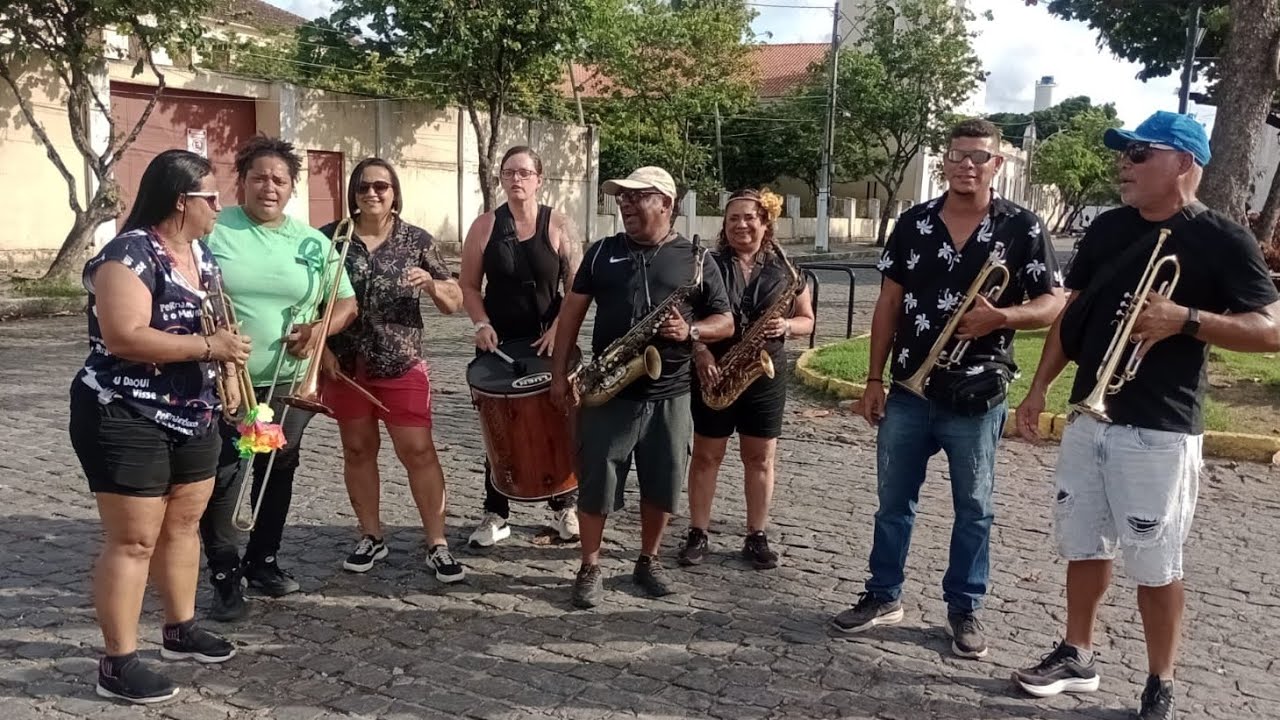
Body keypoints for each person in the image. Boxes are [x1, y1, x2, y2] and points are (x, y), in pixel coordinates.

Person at [1011, 111, 1280, 720]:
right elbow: (1069, 314)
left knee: (1156, 561)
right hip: (1091, 415)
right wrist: (1038, 390)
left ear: (1183, 163)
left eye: (1138, 154)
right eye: (1124, 154)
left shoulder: (1223, 238)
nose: (1122, 164)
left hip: (1160, 428)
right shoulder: (1108, 228)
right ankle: (1078, 652)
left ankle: (1162, 680)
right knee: (1083, 543)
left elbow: (1272, 330)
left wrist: (1185, 320)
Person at [831, 118, 1066, 658]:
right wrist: (873, 379)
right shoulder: (914, 222)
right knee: (893, 502)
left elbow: (1054, 303)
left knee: (974, 507)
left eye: (978, 156)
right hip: (910, 389)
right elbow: (888, 303)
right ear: (945, 159)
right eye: (958, 154)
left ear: (996, 164)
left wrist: (1000, 316)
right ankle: (882, 594)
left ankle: (965, 607)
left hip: (977, 393)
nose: (967, 164)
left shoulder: (1023, 227)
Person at [69, 150, 250, 703]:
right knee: (134, 539)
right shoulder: (127, 254)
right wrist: (208, 346)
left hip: (193, 409)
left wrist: (229, 364)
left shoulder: (202, 254)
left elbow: (217, 318)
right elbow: (123, 334)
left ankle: (181, 628)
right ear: (181, 201)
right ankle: (118, 663)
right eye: (211, 198)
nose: (221, 206)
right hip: (125, 411)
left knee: (183, 525)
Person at [551, 166, 734, 609]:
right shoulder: (601, 253)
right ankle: (590, 566)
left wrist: (689, 332)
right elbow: (572, 315)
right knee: (595, 482)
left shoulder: (697, 259)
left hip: (670, 392)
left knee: (663, 483)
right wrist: (560, 374)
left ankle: (647, 561)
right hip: (610, 389)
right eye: (622, 198)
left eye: (638, 197)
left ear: (667, 203)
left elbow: (725, 321)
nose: (625, 204)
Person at [199, 135, 358, 621]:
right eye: (259, 178)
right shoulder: (214, 229)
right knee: (229, 470)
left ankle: (262, 561)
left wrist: (318, 329)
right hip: (228, 382)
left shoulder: (311, 241)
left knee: (274, 467)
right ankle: (225, 575)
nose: (269, 187)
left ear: (292, 187)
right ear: (242, 181)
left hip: (286, 383)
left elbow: (345, 302)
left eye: (279, 180)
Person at [319, 157, 467, 582]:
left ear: (394, 192)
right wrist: (321, 348)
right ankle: (370, 535)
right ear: (353, 192)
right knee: (358, 450)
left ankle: (437, 543)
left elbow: (454, 301)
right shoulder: (332, 239)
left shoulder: (416, 240)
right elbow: (312, 297)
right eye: (364, 187)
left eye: (381, 186)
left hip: (400, 361)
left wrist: (434, 285)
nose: (372, 193)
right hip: (346, 364)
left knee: (418, 450)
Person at [677, 188, 815, 570]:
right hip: (714, 368)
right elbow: (687, 320)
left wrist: (786, 324)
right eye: (733, 217)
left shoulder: (787, 270)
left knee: (760, 458)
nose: (741, 224)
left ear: (765, 222)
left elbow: (808, 319)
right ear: (724, 223)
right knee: (706, 455)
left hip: (764, 372)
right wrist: (701, 352)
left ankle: (756, 534)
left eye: (750, 217)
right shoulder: (706, 263)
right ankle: (697, 532)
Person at [460, 146, 583, 547]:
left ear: (539, 179)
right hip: (498, 346)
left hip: (548, 343)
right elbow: (468, 286)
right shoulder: (483, 227)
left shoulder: (560, 224)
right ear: (501, 178)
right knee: (498, 426)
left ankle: (565, 505)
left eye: (525, 172)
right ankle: (496, 513)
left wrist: (559, 330)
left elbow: (577, 288)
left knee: (558, 422)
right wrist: (480, 323)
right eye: (509, 172)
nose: (517, 179)